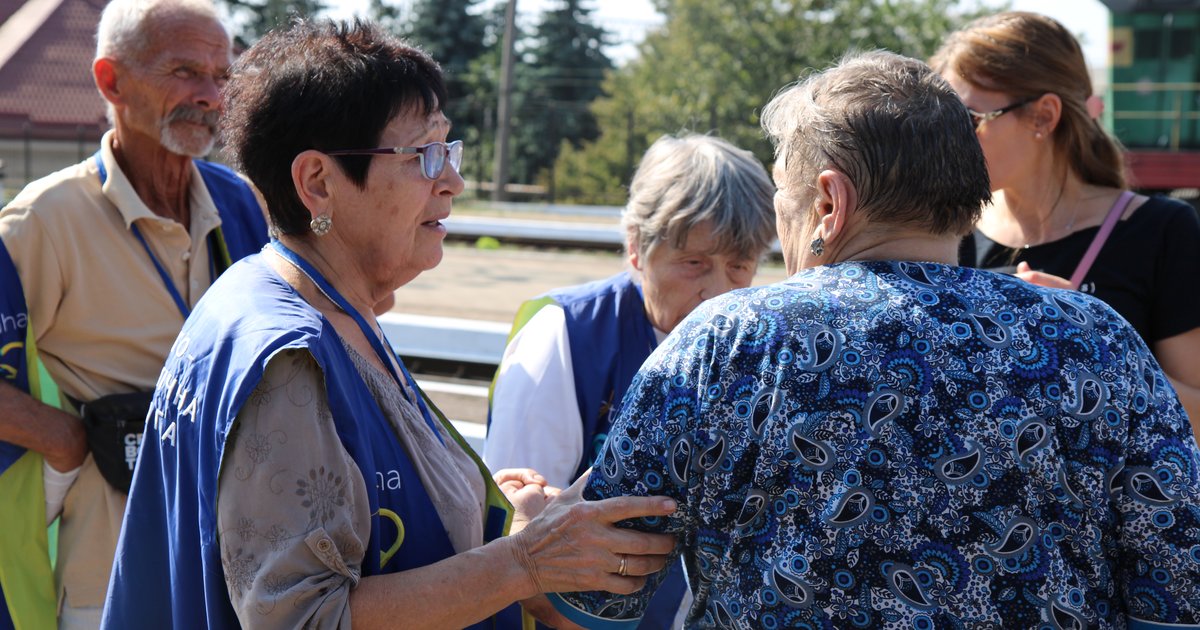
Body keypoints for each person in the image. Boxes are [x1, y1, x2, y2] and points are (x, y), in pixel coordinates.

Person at [544, 51, 1200, 629]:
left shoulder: (722, 343)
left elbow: (593, 601)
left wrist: (529, 535)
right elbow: (1176, 590)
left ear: (829, 202)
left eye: (783, 195)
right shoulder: (1100, 340)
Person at [102, 20, 677, 630]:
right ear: (317, 183)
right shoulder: (285, 357)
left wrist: (477, 510)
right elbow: (303, 618)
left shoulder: (323, 303)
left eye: (448, 149)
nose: (453, 181)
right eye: (424, 156)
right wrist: (526, 563)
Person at [0, 0, 268, 627]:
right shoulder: (43, 219)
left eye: (220, 77)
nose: (208, 95)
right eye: (183, 71)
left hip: (233, 561)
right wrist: (63, 441)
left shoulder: (239, 204)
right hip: (107, 569)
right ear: (110, 81)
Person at [485, 134, 774, 629]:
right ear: (638, 247)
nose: (719, 292)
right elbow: (513, 532)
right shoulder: (565, 333)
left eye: (739, 266)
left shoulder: (763, 347)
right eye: (695, 263)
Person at [929, 11, 1200, 435]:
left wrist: (1093, 341)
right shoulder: (944, 229)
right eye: (941, 123)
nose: (948, 141)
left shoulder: (1160, 230)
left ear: (1043, 117)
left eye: (968, 120)